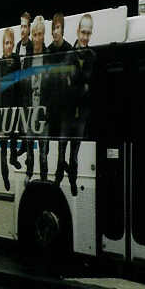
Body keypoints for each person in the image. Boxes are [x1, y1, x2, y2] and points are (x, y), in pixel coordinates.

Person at [64, 14, 94, 196]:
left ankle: (72, 180)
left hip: (82, 113)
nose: (85, 37)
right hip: (67, 112)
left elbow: (89, 84)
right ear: (77, 32)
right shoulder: (68, 55)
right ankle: (61, 173)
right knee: (61, 149)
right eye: (83, 32)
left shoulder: (92, 56)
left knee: (74, 154)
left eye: (88, 33)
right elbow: (67, 83)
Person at [47, 12, 73, 188]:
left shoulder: (69, 50)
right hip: (52, 104)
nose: (55, 32)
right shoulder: (48, 50)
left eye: (58, 28)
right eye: (53, 28)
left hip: (65, 103)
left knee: (62, 142)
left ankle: (59, 173)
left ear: (62, 30)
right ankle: (62, 167)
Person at [22, 15, 49, 182]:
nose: (38, 38)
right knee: (30, 148)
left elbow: (53, 88)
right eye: (35, 35)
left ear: (44, 35)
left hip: (44, 113)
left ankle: (44, 179)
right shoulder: (28, 60)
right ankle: (29, 173)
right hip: (30, 112)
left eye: (40, 34)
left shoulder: (49, 56)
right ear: (32, 36)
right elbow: (23, 88)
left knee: (43, 152)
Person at [0, 28, 21, 190]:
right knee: (3, 147)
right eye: (7, 43)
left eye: (11, 43)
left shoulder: (17, 61)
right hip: (2, 111)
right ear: (3, 44)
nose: (9, 46)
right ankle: (5, 177)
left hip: (14, 108)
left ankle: (14, 159)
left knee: (13, 138)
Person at [10, 11, 33, 169]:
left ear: (29, 28)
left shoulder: (32, 46)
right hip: (18, 93)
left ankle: (27, 155)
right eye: (21, 26)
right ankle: (15, 154)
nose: (23, 29)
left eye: (25, 26)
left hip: (28, 92)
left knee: (27, 124)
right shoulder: (17, 46)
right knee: (15, 123)